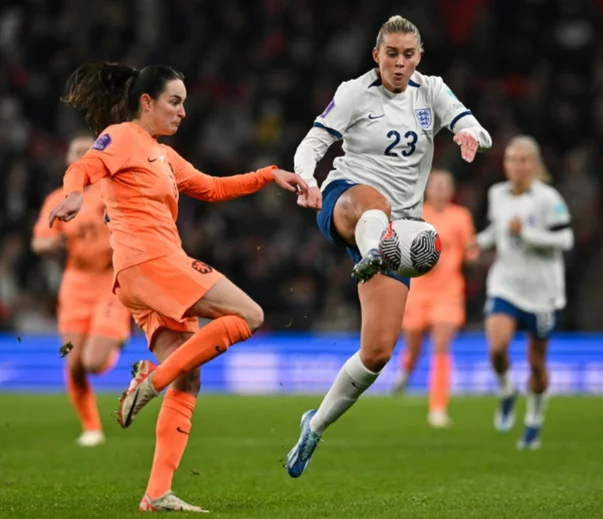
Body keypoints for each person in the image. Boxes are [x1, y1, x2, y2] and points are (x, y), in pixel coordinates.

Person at [49, 60, 307, 512]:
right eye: (174, 102)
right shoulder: (125, 136)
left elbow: (211, 187)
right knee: (250, 315)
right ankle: (148, 383)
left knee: (189, 377)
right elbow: (86, 165)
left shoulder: (162, 155)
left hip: (145, 273)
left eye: (184, 103)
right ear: (146, 102)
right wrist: (74, 192)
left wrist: (269, 175)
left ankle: (157, 493)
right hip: (152, 263)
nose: (183, 112)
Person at [287, 15, 492, 477]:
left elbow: (477, 129)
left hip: (400, 231)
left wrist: (470, 136)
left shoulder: (432, 91)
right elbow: (314, 142)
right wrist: (306, 180)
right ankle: (374, 248)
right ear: (376, 56)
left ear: (418, 58)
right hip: (346, 199)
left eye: (408, 55)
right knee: (373, 203)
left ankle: (314, 426)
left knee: (378, 352)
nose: (400, 63)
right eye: (391, 54)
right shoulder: (355, 92)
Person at [471, 135, 573, 450]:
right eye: (511, 159)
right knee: (497, 347)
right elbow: (497, 230)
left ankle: (533, 421)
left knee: (536, 364)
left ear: (534, 164)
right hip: (506, 283)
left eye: (523, 159)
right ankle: (506, 390)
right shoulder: (497, 194)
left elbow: (565, 240)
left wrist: (526, 234)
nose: (517, 165)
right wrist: (479, 242)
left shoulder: (547, 198)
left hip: (542, 292)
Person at [32, 132, 132, 447]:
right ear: (66, 160)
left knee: (93, 362)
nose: (79, 156)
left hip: (110, 284)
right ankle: (91, 428)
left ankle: (115, 341)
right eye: (74, 151)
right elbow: (38, 240)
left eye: (84, 151)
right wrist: (53, 242)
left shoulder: (110, 190)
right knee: (74, 363)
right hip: (75, 285)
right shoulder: (57, 198)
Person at [391, 169, 477, 428]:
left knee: (441, 347)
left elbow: (470, 253)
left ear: (451, 190)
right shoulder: (416, 214)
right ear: (428, 189)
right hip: (418, 291)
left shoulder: (461, 216)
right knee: (414, 346)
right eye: (435, 185)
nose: (439, 190)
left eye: (444, 186)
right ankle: (406, 371)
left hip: (448, 291)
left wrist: (475, 252)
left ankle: (438, 408)